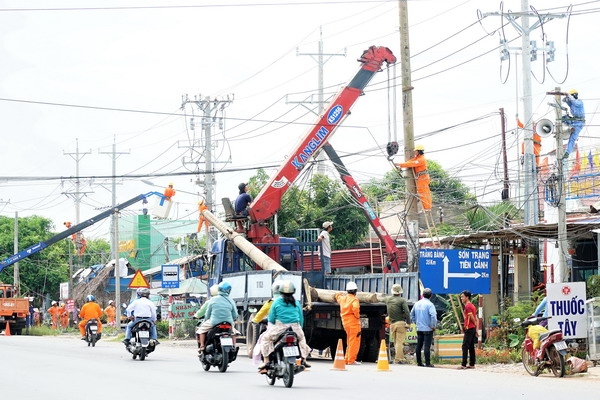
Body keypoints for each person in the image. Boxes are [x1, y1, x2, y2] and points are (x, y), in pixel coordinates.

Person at [258, 280, 311, 373]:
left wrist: (273, 323)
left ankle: (266, 361)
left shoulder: (276, 302)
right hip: (295, 327)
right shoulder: (296, 302)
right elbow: (301, 317)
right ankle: (304, 359)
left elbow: (271, 318)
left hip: (280, 327)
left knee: (265, 339)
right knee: (302, 339)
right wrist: (300, 328)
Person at [197, 282, 238, 352]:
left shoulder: (213, 299)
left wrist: (206, 320)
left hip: (214, 322)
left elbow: (208, 313)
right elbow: (235, 314)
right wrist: (233, 320)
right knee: (233, 332)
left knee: (201, 330)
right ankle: (234, 345)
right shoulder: (231, 300)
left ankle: (202, 346)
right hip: (228, 322)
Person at [395, 144, 432, 210]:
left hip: (423, 177)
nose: (414, 152)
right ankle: (427, 207)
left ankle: (427, 208)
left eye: (415, 151)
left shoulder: (421, 159)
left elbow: (411, 164)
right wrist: (401, 165)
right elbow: (410, 161)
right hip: (422, 177)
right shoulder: (418, 158)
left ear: (418, 151)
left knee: (423, 192)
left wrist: (400, 164)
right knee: (424, 192)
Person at [335, 281, 362, 365]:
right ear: (355, 291)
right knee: (354, 342)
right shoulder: (354, 299)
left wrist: (339, 293)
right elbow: (356, 308)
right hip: (353, 323)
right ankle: (351, 360)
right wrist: (357, 316)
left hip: (345, 323)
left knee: (349, 341)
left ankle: (347, 359)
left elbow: (337, 296)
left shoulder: (343, 299)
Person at [383, 283, 410, 364]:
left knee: (396, 342)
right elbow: (407, 312)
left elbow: (381, 299)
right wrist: (408, 322)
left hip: (392, 324)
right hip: (401, 323)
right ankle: (398, 359)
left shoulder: (388, 299)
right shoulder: (402, 300)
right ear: (400, 292)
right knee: (399, 342)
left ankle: (400, 358)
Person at [410, 287, 437, 367]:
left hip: (419, 328)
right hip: (428, 328)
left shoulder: (417, 303)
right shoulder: (430, 304)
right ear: (430, 296)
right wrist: (433, 326)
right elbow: (433, 316)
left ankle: (419, 362)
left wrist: (416, 322)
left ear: (422, 295)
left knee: (419, 345)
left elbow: (412, 315)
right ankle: (427, 363)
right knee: (426, 346)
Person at [562, 89, 585, 160]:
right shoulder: (572, 103)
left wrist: (568, 95)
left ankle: (567, 152)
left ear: (574, 95)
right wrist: (566, 97)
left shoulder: (579, 102)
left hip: (579, 123)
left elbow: (574, 102)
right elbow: (564, 100)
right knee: (562, 118)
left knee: (572, 138)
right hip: (574, 121)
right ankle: (566, 129)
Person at [458, 290, 477, 370]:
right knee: (471, 346)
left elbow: (472, 317)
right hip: (472, 328)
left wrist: (474, 324)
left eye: (462, 297)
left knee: (465, 346)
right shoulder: (472, 306)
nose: (461, 298)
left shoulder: (468, 306)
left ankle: (464, 364)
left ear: (467, 297)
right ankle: (472, 363)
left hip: (469, 328)